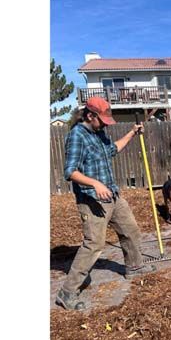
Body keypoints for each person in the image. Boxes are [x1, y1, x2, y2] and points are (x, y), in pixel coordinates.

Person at [55, 97, 151, 311]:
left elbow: (113, 149)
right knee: (94, 245)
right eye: (103, 120)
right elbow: (70, 171)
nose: (106, 124)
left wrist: (132, 133)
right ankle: (67, 292)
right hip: (92, 201)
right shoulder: (77, 135)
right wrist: (95, 183)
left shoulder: (99, 134)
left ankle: (134, 266)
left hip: (113, 195)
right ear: (90, 116)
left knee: (131, 230)